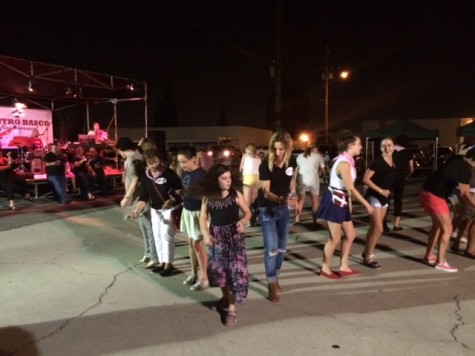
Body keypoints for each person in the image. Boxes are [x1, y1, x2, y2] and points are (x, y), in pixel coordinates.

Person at [193, 164, 251, 326]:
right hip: (217, 238)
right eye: (224, 178)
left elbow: (248, 212)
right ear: (215, 180)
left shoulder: (236, 195)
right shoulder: (208, 197)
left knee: (233, 274)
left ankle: (232, 309)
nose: (228, 181)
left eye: (229, 178)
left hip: (234, 240)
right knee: (220, 273)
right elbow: (203, 217)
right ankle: (225, 298)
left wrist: (243, 221)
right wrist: (205, 233)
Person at [317, 130, 374, 279]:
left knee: (350, 234)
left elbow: (346, 188)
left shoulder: (348, 161)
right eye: (359, 144)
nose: (361, 146)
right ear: (350, 146)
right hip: (334, 200)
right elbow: (350, 188)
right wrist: (367, 205)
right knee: (335, 238)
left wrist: (348, 203)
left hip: (341, 199)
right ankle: (325, 268)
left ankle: (343, 266)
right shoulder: (343, 163)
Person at [420, 144, 475, 272]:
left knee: (437, 226)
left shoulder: (456, 159)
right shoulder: (464, 171)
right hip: (435, 195)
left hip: (427, 190)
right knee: (447, 228)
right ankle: (440, 262)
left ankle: (429, 256)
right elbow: (465, 194)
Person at [258, 131, 297, 303]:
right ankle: (271, 284)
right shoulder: (265, 164)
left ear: (288, 149)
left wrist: (295, 198)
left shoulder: (292, 161)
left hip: (284, 210)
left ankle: (276, 275)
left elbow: (292, 183)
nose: (279, 153)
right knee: (271, 248)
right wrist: (281, 199)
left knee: (282, 248)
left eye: (282, 149)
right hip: (267, 209)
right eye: (276, 149)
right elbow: (265, 191)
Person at [130, 149, 182, 277]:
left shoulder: (169, 174)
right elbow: (143, 198)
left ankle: (169, 264)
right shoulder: (146, 177)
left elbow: (181, 192)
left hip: (169, 209)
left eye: (156, 161)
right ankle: (162, 262)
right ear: (146, 164)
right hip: (155, 210)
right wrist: (137, 210)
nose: (154, 165)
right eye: (150, 163)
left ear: (160, 160)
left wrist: (172, 200)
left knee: (166, 236)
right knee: (157, 236)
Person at [117, 137, 159, 269]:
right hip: (140, 196)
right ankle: (148, 252)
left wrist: (126, 197)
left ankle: (154, 256)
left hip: (140, 196)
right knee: (143, 225)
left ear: (121, 149)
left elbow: (135, 179)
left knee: (148, 226)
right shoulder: (137, 155)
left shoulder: (131, 160)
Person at [177, 146, 209, 291]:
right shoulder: (184, 173)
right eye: (180, 162)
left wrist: (205, 215)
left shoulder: (203, 175)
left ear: (194, 159)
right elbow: (186, 190)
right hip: (187, 210)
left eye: (185, 161)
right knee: (191, 244)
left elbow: (207, 196)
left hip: (198, 212)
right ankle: (193, 273)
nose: (182, 165)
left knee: (198, 245)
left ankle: (204, 278)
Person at [362, 137, 395, 269]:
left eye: (390, 145)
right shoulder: (378, 162)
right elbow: (365, 179)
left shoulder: (393, 161)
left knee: (373, 228)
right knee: (378, 228)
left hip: (385, 199)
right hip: (375, 196)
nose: (387, 148)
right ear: (381, 148)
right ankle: (370, 256)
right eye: (384, 146)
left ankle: (366, 251)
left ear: (394, 146)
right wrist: (380, 190)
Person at [295, 142, 327, 226]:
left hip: (302, 180)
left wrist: (294, 180)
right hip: (314, 180)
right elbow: (323, 171)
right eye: (317, 149)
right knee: (315, 200)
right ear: (315, 148)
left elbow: (296, 169)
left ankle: (297, 218)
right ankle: (314, 220)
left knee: (301, 199)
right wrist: (324, 176)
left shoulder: (300, 156)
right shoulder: (319, 156)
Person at [391, 134, 415, 230]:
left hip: (389, 177)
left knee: (385, 199)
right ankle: (396, 224)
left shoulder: (391, 150)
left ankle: (383, 222)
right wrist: (407, 176)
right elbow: (411, 169)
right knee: (398, 200)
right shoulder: (408, 153)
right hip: (400, 178)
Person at [239, 143, 261, 225]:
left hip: (248, 178)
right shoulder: (258, 157)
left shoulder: (245, 155)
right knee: (254, 200)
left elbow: (240, 168)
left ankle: (248, 219)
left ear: (247, 149)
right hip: (257, 178)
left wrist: (240, 175)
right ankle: (256, 216)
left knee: (247, 201)